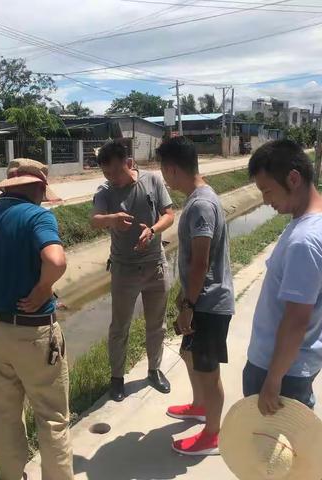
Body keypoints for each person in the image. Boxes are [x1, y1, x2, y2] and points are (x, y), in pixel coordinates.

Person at [0, 158, 73, 480]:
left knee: (5, 415)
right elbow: (56, 260)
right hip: (34, 333)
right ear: (38, 187)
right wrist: (43, 289)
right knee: (52, 417)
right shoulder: (38, 216)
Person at [157, 137, 235, 456]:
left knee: (207, 366)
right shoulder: (198, 198)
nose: (164, 178)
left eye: (164, 171)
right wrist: (183, 296)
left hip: (209, 302)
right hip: (200, 297)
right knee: (192, 356)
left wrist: (188, 305)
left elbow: (201, 260)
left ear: (173, 169)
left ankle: (213, 435)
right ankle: (200, 406)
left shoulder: (201, 204)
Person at [91, 139, 175, 402]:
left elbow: (169, 214)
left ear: (128, 163)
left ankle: (154, 370)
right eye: (106, 173)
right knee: (120, 326)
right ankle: (117, 378)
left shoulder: (152, 181)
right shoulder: (105, 191)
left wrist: (153, 231)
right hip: (124, 270)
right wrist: (112, 219)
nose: (112, 178)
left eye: (116, 171)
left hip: (155, 266)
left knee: (156, 324)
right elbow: (94, 220)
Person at [244, 140, 322, 415]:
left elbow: (296, 320)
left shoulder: (305, 240)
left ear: (293, 179)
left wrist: (272, 380)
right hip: (294, 367)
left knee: (269, 454)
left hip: (278, 372)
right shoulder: (311, 223)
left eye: (267, 190)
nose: (265, 200)